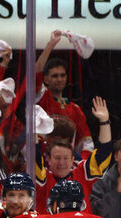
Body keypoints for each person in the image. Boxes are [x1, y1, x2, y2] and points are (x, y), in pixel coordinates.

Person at [35, 96, 112, 214]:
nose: (61, 162)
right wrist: (33, 130)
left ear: (72, 160)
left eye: (65, 158)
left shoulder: (82, 173)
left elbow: (103, 153)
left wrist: (104, 121)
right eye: (57, 158)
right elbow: (34, 155)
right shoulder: (43, 179)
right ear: (48, 160)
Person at [35, 30, 94, 160]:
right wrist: (51, 45)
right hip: (42, 164)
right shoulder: (42, 99)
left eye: (62, 75)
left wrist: (81, 165)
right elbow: (35, 74)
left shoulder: (75, 109)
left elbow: (86, 142)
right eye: (54, 76)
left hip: (65, 165)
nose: (59, 79)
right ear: (46, 79)